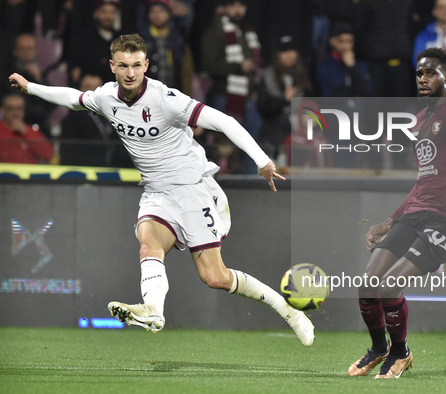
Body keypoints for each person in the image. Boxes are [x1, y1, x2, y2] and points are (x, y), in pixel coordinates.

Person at [9, 33, 314, 346]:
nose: (131, 73)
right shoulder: (105, 98)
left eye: (137, 65)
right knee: (148, 242)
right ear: (112, 66)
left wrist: (262, 161)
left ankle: (288, 310)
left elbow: (223, 120)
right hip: (156, 192)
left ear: (146, 65)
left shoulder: (165, 99)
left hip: (193, 189)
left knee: (215, 277)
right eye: (124, 66)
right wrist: (31, 87)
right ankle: (153, 309)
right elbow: (72, 99)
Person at [347, 47, 446, 379]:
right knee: (368, 283)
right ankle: (379, 348)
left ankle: (400, 354)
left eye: (431, 73)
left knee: (391, 284)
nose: (423, 79)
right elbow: (423, 181)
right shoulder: (420, 120)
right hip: (416, 213)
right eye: (419, 73)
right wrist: (391, 220)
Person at [200, 0, 262, 173]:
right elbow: (209, 64)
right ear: (225, 8)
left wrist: (255, 89)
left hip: (247, 97)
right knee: (220, 144)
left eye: (241, 6)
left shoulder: (247, 31)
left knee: (250, 143)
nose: (238, 10)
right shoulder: (216, 31)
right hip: (224, 96)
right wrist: (238, 66)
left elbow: (256, 64)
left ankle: (252, 181)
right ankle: (214, 181)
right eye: (233, 6)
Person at [257, 35, 313, 160]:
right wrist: (284, 99)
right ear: (278, 54)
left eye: (292, 51)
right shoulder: (268, 75)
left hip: (299, 129)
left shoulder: (303, 76)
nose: (289, 55)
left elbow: (311, 102)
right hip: (274, 130)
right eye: (284, 51)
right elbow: (263, 106)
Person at [60, 74, 132, 167]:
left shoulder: (111, 114)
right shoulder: (73, 118)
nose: (93, 93)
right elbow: (69, 151)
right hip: (87, 172)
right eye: (88, 88)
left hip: (112, 171)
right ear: (80, 90)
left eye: (97, 88)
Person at [139, 0, 193, 95]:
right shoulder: (142, 38)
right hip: (148, 93)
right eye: (153, 12)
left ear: (169, 14)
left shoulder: (177, 38)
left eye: (161, 11)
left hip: (173, 91)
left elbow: (186, 70)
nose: (157, 15)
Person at [68, 0, 121, 86]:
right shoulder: (84, 39)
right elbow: (75, 71)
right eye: (104, 12)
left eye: (112, 12)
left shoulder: (120, 40)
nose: (108, 16)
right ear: (96, 13)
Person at [315, 21, 371, 97]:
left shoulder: (360, 65)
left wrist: (352, 67)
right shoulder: (324, 66)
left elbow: (367, 91)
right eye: (341, 41)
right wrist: (353, 91)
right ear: (332, 41)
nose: (346, 46)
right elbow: (328, 95)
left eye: (350, 41)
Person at [0, 93, 54, 164]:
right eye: (11, 109)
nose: (16, 112)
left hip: (27, 174)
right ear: (3, 110)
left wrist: (26, 131)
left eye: (19, 108)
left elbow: (48, 155)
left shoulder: (32, 130)